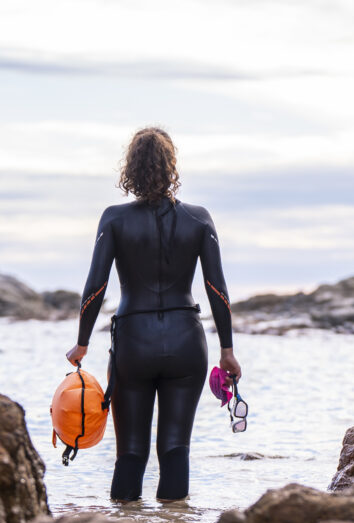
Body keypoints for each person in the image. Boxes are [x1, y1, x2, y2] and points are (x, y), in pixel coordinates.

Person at [66, 127, 242, 503]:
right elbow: (216, 290)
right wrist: (227, 350)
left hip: (134, 342)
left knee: (130, 450)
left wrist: (82, 343)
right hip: (186, 342)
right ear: (171, 166)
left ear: (130, 168)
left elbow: (95, 287)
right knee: (176, 447)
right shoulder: (200, 219)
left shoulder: (114, 220)